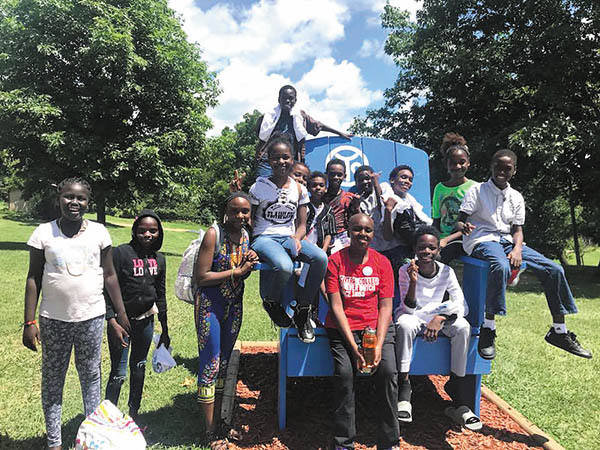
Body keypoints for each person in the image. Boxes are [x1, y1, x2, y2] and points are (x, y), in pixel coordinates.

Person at [22, 177, 130, 450]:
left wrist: (120, 312)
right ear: (59, 198)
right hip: (53, 319)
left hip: (91, 318)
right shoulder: (44, 233)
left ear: (88, 202)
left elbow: (110, 275)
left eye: (80, 198)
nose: (74, 202)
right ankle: (54, 442)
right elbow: (33, 278)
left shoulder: (99, 233)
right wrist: (29, 321)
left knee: (91, 377)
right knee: (53, 379)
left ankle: (91, 440)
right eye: (68, 196)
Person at [456, 149, 592, 360]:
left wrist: (518, 249)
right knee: (500, 265)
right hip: (481, 239)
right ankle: (488, 328)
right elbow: (460, 219)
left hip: (508, 242)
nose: (502, 171)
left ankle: (559, 331)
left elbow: (517, 230)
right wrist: (463, 226)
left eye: (507, 168)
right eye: (498, 167)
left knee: (554, 269)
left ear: (514, 171)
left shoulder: (515, 197)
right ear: (491, 167)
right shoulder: (477, 191)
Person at [394, 226, 481, 430]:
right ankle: (404, 391)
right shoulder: (406, 270)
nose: (427, 252)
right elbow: (408, 308)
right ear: (414, 248)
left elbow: (462, 305)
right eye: (422, 247)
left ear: (437, 250)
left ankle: (458, 392)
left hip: (437, 318)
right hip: (414, 317)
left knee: (462, 326)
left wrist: (440, 317)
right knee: (405, 324)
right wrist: (414, 282)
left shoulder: (446, 272)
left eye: (432, 248)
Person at [325, 213, 400, 450]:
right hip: (343, 329)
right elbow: (336, 306)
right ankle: (344, 442)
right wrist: (354, 348)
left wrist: (378, 343)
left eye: (367, 230)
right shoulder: (335, 261)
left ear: (373, 233)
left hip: (375, 329)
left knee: (388, 373)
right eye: (357, 229)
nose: (363, 234)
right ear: (348, 232)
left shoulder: (382, 262)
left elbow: (386, 306)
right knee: (345, 375)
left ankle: (390, 442)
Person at [249, 133, 328, 343]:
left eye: (285, 157)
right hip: (264, 238)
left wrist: (297, 238)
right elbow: (250, 221)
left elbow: (301, 224)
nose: (281, 162)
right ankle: (271, 301)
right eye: (276, 157)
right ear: (269, 160)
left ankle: (303, 308)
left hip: (287, 236)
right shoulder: (258, 187)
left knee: (320, 258)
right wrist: (248, 245)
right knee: (284, 266)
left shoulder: (299, 189)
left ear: (293, 159)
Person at [194, 192, 259, 449]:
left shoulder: (245, 236)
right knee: (210, 364)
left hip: (233, 307)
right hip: (210, 306)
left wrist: (247, 264)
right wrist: (237, 270)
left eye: (245, 212)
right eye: (235, 211)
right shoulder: (214, 234)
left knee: (223, 363)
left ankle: (220, 423)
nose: (240, 216)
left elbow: (239, 275)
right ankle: (209, 432)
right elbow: (202, 277)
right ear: (226, 211)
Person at [104, 209, 169, 422]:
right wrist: (112, 319)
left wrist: (165, 329)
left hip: (145, 322)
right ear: (134, 231)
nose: (148, 235)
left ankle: (134, 414)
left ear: (159, 232)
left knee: (139, 367)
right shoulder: (121, 253)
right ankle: (108, 418)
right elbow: (107, 289)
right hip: (121, 324)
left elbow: (160, 294)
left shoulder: (159, 259)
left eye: (153, 231)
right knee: (119, 373)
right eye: (142, 231)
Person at [255, 85, 351, 177]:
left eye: (291, 98)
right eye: (284, 98)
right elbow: (259, 133)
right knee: (264, 187)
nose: (287, 101)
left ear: (295, 100)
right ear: (279, 99)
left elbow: (319, 126)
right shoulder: (268, 117)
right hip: (267, 161)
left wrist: (339, 133)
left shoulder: (301, 117)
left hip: (290, 162)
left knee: (288, 191)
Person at [431, 133, 477, 264]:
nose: (457, 166)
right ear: (446, 164)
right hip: (442, 238)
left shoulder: (475, 188)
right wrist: (433, 239)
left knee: (439, 258)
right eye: (453, 163)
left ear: (468, 163)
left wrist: (446, 240)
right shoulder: (439, 188)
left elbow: (473, 226)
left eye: (461, 162)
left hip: (464, 238)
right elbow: (436, 221)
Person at [381, 165, 432, 277]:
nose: (407, 181)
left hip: (414, 246)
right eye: (403, 177)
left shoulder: (410, 202)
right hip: (396, 250)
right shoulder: (388, 198)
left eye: (410, 179)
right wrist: (388, 210)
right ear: (392, 180)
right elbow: (387, 236)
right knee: (410, 269)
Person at [323, 158, 359, 254]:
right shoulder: (319, 195)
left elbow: (356, 219)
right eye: (332, 174)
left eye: (339, 175)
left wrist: (356, 206)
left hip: (341, 237)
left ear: (345, 176)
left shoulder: (349, 198)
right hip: (321, 235)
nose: (335, 177)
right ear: (326, 175)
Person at [305, 171, 336, 253]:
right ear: (308, 188)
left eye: (321, 185)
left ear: (326, 189)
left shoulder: (329, 210)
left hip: (320, 249)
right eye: (314, 185)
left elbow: (329, 233)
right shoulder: (303, 206)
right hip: (303, 246)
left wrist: (324, 250)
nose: (318, 188)